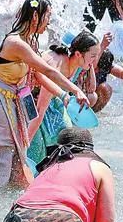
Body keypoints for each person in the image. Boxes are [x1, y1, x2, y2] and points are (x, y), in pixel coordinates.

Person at [0, 0, 91, 193]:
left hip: (12, 100)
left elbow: (38, 76)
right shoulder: (16, 43)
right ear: (36, 16)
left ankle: (21, 198)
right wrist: (75, 90)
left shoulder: (28, 41)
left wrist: (64, 96)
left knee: (16, 155)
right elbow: (49, 71)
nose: (49, 23)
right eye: (47, 17)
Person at [25, 31, 100, 168]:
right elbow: (40, 111)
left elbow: (92, 89)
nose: (94, 61)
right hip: (30, 102)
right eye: (93, 56)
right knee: (35, 150)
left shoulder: (76, 63)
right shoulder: (57, 68)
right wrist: (23, 148)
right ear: (78, 54)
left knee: (67, 130)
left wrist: (90, 65)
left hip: (52, 103)